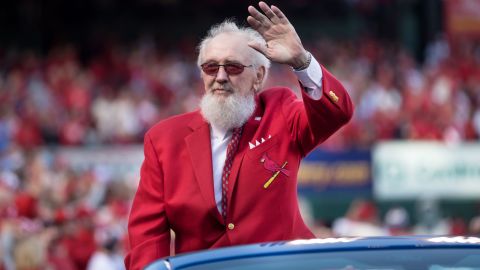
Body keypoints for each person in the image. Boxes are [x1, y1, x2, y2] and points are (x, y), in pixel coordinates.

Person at [125, 2, 354, 269]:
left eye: (233, 67)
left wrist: (301, 61)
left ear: (258, 76)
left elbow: (336, 113)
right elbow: (147, 236)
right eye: (211, 68)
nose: (220, 77)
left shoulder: (279, 110)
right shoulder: (164, 139)